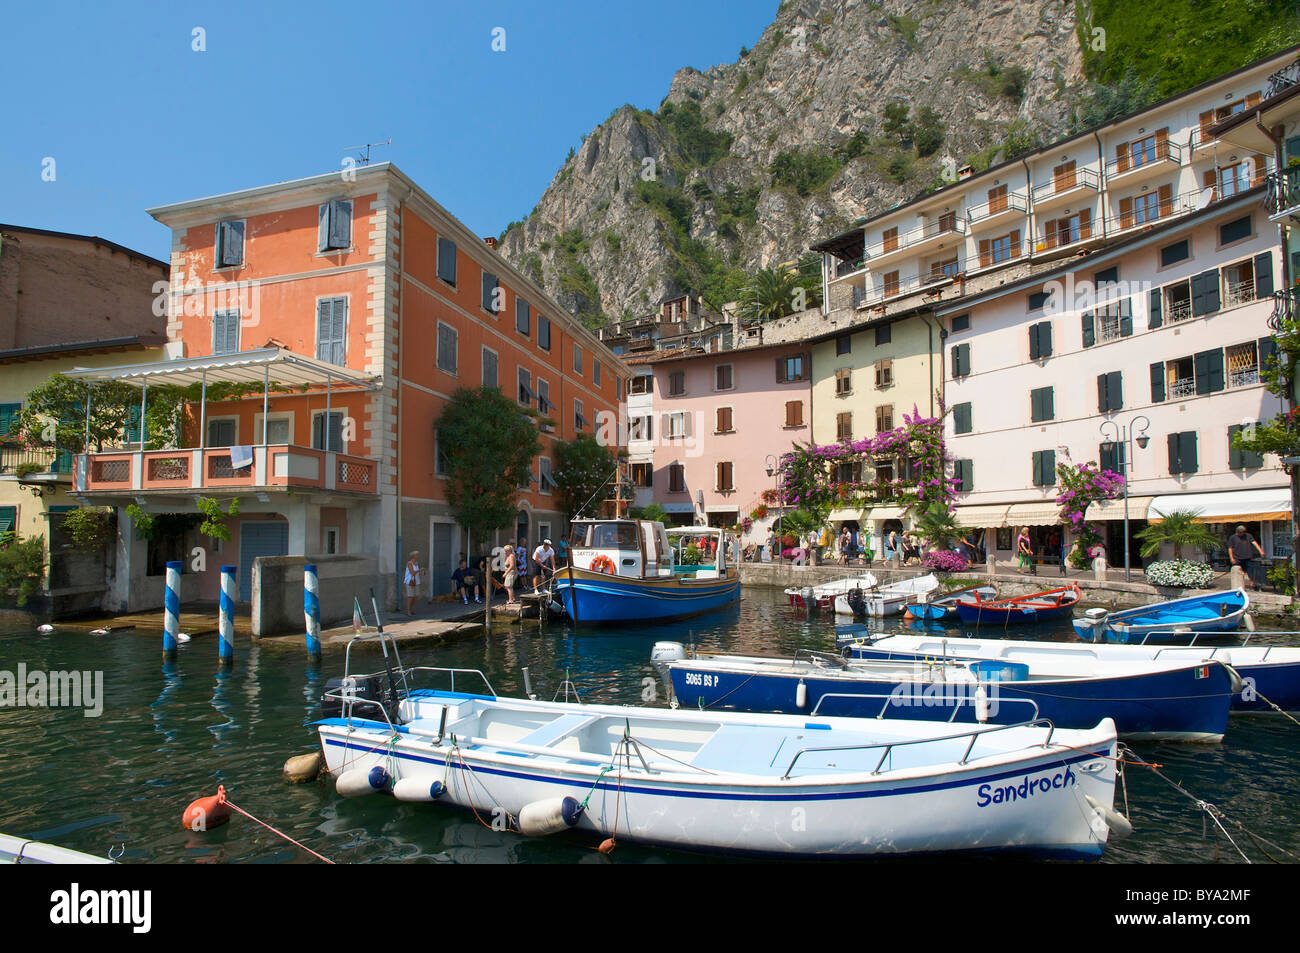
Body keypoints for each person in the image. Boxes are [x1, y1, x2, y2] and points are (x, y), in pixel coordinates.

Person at [1228, 524, 1265, 591]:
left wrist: (1261, 551)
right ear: (1238, 532)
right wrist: (1232, 558)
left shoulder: (1248, 536)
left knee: (1250, 572)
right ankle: (1238, 586)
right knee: (1237, 571)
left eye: (1243, 532)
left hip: (1247, 557)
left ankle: (1253, 584)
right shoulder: (1232, 538)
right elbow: (1230, 548)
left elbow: (1254, 543)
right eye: (1241, 533)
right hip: (1237, 558)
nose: (1242, 534)